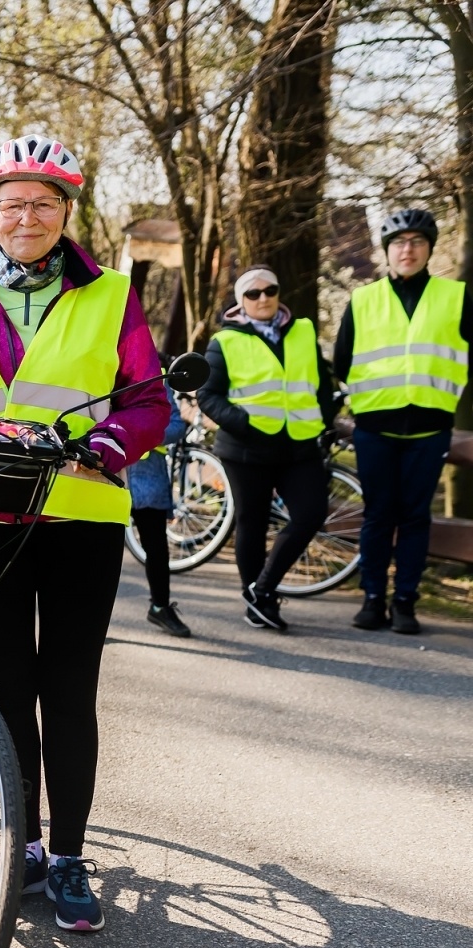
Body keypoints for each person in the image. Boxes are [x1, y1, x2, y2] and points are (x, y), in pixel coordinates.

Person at [0, 134, 169, 932]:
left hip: (81, 518)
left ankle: (67, 856)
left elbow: (147, 400)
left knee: (69, 693)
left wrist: (110, 445)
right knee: (9, 688)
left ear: (65, 214)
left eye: (44, 203)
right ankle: (19, 848)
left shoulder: (112, 295)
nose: (28, 216)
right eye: (13, 202)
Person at [333, 209, 468, 635]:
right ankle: (373, 598)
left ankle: (406, 602)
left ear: (429, 249)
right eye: (398, 243)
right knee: (377, 515)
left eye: (416, 242)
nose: (407, 250)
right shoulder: (363, 300)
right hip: (375, 427)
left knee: (414, 517)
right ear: (387, 251)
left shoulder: (456, 297)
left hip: (430, 428)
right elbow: (342, 360)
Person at [198, 266, 340, 632]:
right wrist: (243, 423)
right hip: (246, 448)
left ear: (279, 292)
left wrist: (324, 419)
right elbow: (208, 396)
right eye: (253, 293)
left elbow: (322, 384)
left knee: (311, 514)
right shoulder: (224, 341)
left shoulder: (304, 330)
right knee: (253, 523)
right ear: (241, 301)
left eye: (270, 290)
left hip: (300, 445)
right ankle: (258, 601)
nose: (263, 298)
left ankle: (262, 589)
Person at [128, 387, 191, 637]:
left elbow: (176, 425)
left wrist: (144, 434)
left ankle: (160, 606)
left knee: (156, 548)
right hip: (106, 474)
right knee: (97, 550)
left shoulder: (155, 376)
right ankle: (87, 616)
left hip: (148, 481)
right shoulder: (99, 365)